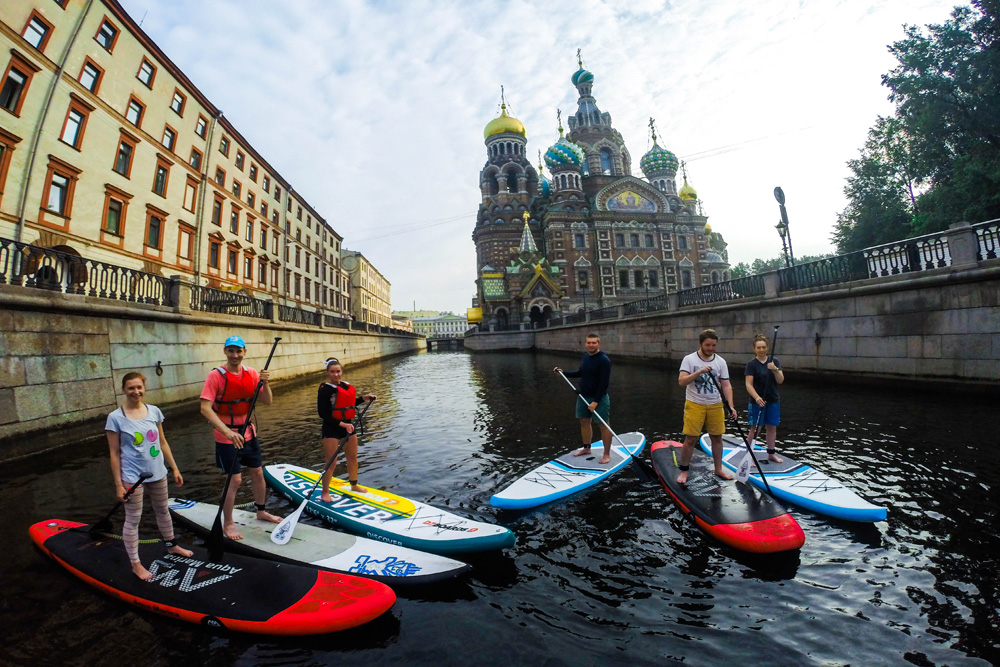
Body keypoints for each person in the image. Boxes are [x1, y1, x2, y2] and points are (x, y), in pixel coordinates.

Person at [105, 372, 193, 580]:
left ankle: (172, 546)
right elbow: (114, 453)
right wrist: (119, 485)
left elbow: (162, 442)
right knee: (133, 519)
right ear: (124, 390)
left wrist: (175, 468)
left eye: (139, 387)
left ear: (144, 388)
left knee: (163, 511)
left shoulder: (154, 411)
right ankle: (136, 563)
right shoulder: (115, 418)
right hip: (132, 478)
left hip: (158, 473)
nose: (136, 392)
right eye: (131, 388)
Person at [199, 335, 280, 540]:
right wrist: (227, 431)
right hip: (226, 435)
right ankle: (228, 522)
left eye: (239, 351)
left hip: (249, 432)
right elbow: (205, 409)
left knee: (258, 474)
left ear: (244, 352)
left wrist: (265, 383)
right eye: (231, 351)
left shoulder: (252, 374)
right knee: (234, 480)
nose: (235, 355)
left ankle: (261, 511)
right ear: (225, 352)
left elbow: (268, 401)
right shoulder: (216, 376)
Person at [676, 329, 738, 484]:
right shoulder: (689, 360)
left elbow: (726, 385)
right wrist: (699, 372)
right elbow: (682, 381)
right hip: (695, 404)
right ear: (700, 344)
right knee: (691, 438)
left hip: (715, 404)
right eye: (708, 345)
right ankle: (684, 471)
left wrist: (731, 406)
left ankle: (718, 469)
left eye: (713, 345)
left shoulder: (720, 362)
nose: (711, 348)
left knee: (717, 437)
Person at [317, 358, 376, 499]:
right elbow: (322, 413)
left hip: (348, 426)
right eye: (332, 372)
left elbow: (349, 403)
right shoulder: (324, 389)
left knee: (352, 457)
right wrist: (342, 424)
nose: (336, 375)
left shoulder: (345, 386)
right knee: (331, 461)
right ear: (327, 373)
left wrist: (364, 398)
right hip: (331, 428)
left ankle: (354, 485)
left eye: (338, 371)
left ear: (341, 371)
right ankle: (325, 492)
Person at [553, 333, 613, 464]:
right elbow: (580, 373)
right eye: (589, 343)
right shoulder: (585, 357)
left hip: (599, 398)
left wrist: (595, 402)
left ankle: (607, 454)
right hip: (583, 396)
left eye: (594, 343)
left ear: (598, 344)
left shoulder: (604, 360)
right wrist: (563, 373)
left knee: (604, 426)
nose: (591, 345)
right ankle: (586, 448)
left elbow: (604, 384)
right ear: (585, 344)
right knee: (584, 423)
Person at [745, 333, 785, 463]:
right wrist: (756, 397)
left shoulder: (775, 361)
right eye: (758, 347)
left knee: (772, 427)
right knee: (755, 429)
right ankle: (748, 456)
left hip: (773, 400)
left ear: (767, 348)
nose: (761, 350)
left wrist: (775, 370)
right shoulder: (751, 364)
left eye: (763, 347)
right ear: (754, 349)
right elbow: (748, 384)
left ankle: (771, 453)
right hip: (757, 402)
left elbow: (780, 380)